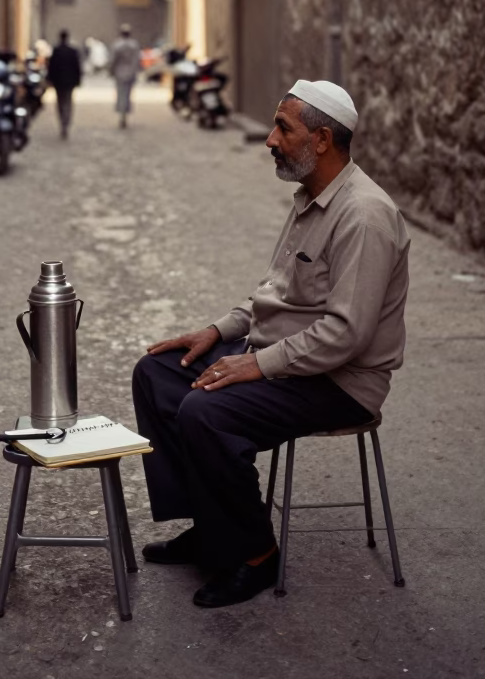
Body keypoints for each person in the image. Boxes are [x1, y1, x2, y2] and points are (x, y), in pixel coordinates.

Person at [132, 79, 410, 609]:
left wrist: (255, 366)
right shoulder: (310, 198)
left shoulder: (364, 215)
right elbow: (274, 297)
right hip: (287, 357)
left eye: (284, 127)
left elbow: (346, 336)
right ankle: (215, 528)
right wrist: (217, 332)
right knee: (159, 373)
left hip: (339, 380)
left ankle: (256, 555)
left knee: (204, 411)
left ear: (322, 139)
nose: (270, 139)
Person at [47, 30, 82, 139]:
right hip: (69, 82)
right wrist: (78, 80)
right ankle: (66, 122)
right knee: (68, 102)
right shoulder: (72, 51)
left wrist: (50, 79)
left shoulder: (56, 51)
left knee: (60, 102)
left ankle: (63, 122)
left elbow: (51, 67)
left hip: (59, 82)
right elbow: (77, 67)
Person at [108, 23, 141, 129]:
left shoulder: (117, 45)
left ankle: (122, 115)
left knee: (121, 95)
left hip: (120, 73)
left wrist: (111, 71)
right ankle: (124, 115)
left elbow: (113, 60)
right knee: (127, 95)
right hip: (130, 72)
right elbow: (136, 60)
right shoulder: (134, 45)